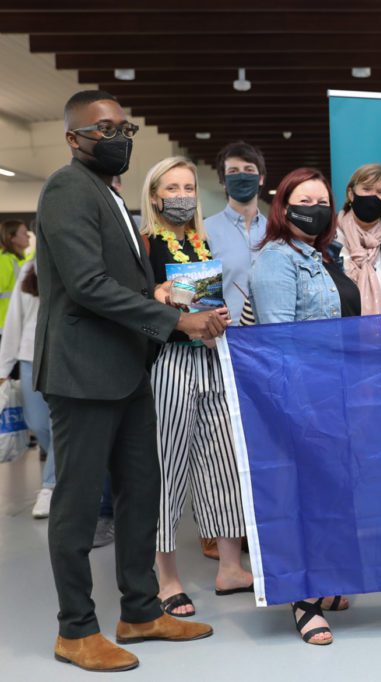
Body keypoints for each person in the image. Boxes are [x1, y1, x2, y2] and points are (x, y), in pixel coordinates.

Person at [35, 90, 224, 672]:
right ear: (74, 138)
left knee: (142, 493)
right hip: (82, 374)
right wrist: (173, 318)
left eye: (124, 127)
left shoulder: (110, 193)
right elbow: (87, 283)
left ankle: (141, 611)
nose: (117, 137)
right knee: (79, 507)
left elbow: (116, 278)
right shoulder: (68, 189)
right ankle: (75, 630)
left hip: (125, 370)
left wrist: (156, 294)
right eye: (103, 129)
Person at [250, 167, 359, 645]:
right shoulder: (276, 261)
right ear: (283, 206)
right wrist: (298, 409)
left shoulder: (323, 256)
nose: (313, 208)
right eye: (303, 199)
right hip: (302, 397)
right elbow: (277, 342)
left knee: (331, 490)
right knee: (302, 496)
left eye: (321, 200)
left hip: (337, 390)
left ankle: (328, 580)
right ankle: (303, 597)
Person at [139, 156, 252, 618]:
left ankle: (231, 567)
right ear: (154, 195)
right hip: (169, 362)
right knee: (166, 467)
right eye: (173, 187)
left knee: (223, 461)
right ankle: (165, 577)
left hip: (212, 358)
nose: (183, 195)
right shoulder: (144, 244)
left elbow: (208, 297)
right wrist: (159, 297)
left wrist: (219, 316)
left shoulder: (201, 241)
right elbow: (135, 302)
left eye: (189, 187)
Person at [0, 262, 53, 518]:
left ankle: (50, 486)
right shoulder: (30, 268)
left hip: (62, 358)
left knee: (59, 425)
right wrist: (3, 368)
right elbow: (14, 318)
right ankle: (65, 474)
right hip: (29, 356)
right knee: (37, 422)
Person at [204, 141, 268, 325]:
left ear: (261, 178)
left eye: (249, 169)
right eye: (233, 171)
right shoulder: (204, 232)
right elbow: (201, 299)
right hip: (226, 339)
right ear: (223, 181)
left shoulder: (276, 232)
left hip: (272, 336)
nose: (241, 176)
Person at [335, 163, 381, 315]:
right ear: (351, 193)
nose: (372, 197)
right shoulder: (327, 240)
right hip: (336, 334)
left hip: (379, 335)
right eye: (366, 189)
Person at [0, 219, 32, 339]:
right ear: (11, 237)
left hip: (18, 326)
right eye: (24, 233)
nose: (28, 236)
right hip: (4, 328)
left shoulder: (23, 260)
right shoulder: (2, 261)